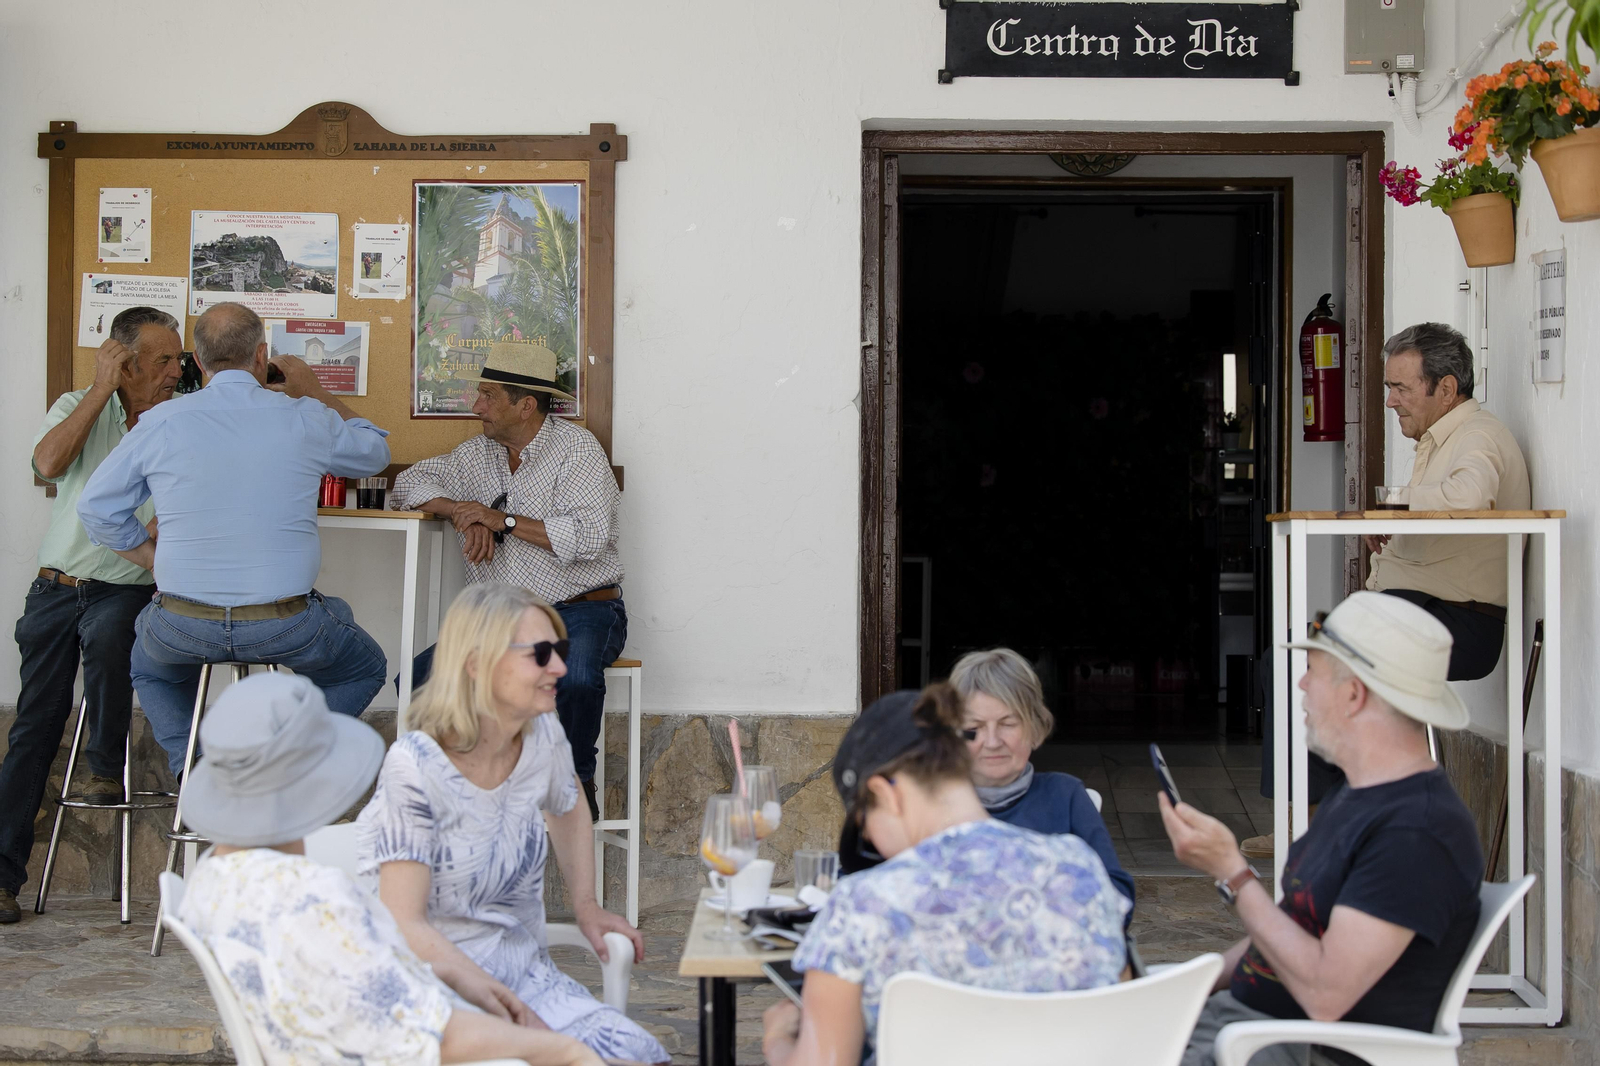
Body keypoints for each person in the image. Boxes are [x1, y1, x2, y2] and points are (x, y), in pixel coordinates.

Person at [175, 671, 606, 1066]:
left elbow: (346, 982)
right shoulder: (313, 898)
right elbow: (437, 1039)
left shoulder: (210, 880)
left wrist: (448, 970)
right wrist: (566, 1051)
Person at [1243, 321, 1530, 858]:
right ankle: (1312, 818)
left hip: (1456, 622)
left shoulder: (1477, 435)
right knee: (1288, 660)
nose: (1392, 401)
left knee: (1300, 663)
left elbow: (1468, 496)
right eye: (1389, 388)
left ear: (1445, 389)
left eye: (1401, 388)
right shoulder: (1437, 439)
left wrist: (1398, 506)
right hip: (1412, 611)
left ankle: (1312, 826)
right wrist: (1400, 524)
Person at [1164, 592, 1484, 1066]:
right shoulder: (1354, 794)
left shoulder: (1416, 833)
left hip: (1289, 1049)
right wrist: (1187, 981)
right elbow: (1293, 929)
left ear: (1353, 694)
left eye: (1313, 670)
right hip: (1242, 1023)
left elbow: (1326, 994)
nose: (1301, 684)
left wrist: (1234, 873)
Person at [76, 301, 391, 779]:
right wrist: (318, 392)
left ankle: (195, 770)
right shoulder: (305, 416)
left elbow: (95, 507)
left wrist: (149, 557)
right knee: (363, 665)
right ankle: (281, 761)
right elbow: (374, 454)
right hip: (284, 625)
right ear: (262, 356)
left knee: (149, 666)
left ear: (198, 362)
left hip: (182, 624)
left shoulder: (161, 422)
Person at [356, 582, 667, 1065]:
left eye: (560, 650)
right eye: (541, 654)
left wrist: (586, 905)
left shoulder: (539, 732)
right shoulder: (416, 766)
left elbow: (567, 805)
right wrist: (517, 1019)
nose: (561, 668)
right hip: (437, 994)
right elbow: (404, 923)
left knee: (638, 1053)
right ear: (478, 664)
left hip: (524, 974)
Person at [762, 685, 1129, 1066]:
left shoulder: (861, 905)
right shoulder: (1078, 866)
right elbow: (1121, 1004)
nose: (874, 844)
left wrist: (776, 1038)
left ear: (885, 795)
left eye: (866, 828)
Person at [0, 308, 182, 925]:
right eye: (161, 360)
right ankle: (1, 880)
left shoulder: (181, 421)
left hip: (125, 588)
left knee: (110, 635)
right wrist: (100, 391)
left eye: (179, 358)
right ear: (123, 361)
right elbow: (46, 466)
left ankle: (105, 765)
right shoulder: (78, 404)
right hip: (55, 589)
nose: (174, 370)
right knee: (32, 730)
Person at [392, 341, 624, 820]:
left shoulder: (576, 451)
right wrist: (460, 510)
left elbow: (590, 536)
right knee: (418, 684)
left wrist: (503, 520)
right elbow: (407, 485)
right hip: (504, 619)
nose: (476, 406)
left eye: (487, 395)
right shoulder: (475, 455)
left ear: (525, 404)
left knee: (575, 678)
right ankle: (475, 788)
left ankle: (575, 783)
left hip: (580, 609)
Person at [948, 647, 1134, 910]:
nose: (991, 742)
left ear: (1035, 728)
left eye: (1008, 724)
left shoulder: (1065, 796)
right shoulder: (935, 806)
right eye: (973, 728)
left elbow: (1118, 893)